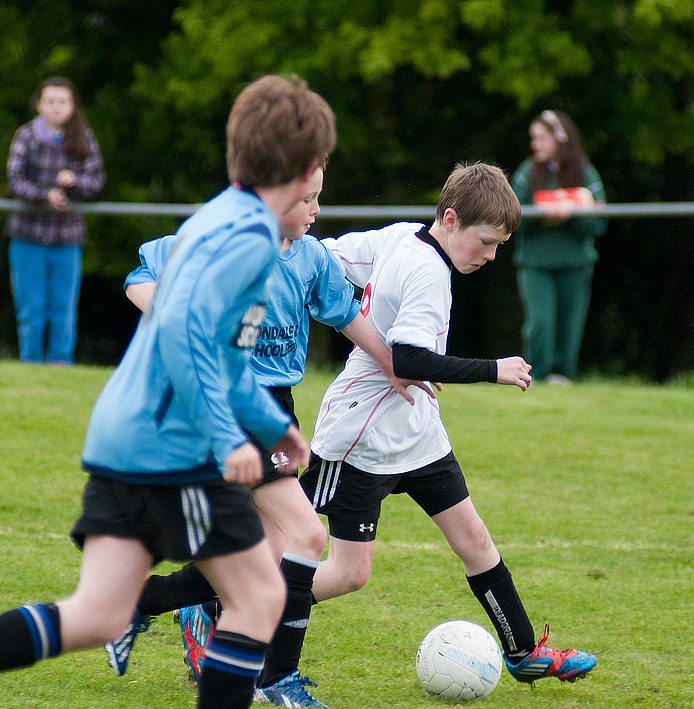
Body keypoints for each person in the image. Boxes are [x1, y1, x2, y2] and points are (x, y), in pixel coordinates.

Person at [0, 74, 336, 709]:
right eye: (315, 187)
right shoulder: (251, 240)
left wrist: (271, 428)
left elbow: (226, 353)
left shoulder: (218, 218)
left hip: (121, 434)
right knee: (260, 596)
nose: (318, 200)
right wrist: (223, 438)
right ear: (297, 171)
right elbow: (185, 337)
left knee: (99, 614)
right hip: (171, 446)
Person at [106, 163, 430, 708]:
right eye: (309, 201)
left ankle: (141, 603)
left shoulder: (309, 258)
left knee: (266, 559)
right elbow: (142, 274)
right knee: (307, 537)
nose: (317, 211)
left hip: (277, 411)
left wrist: (394, 365)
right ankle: (277, 678)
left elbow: (348, 314)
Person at [299, 162, 597, 686]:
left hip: (418, 434)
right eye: (485, 242)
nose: (490, 255)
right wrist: (493, 370)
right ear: (452, 219)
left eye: (499, 246)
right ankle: (225, 610)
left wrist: (366, 321)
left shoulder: (401, 238)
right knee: (342, 571)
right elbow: (410, 360)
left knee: (474, 540)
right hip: (359, 439)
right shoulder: (429, 271)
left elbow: (324, 256)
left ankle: (523, 652)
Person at [5, 76, 106, 366]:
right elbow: (14, 181)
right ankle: (31, 366)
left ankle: (62, 366)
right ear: (39, 105)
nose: (56, 107)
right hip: (27, 236)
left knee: (63, 308)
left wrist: (76, 181)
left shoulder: (84, 137)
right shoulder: (26, 136)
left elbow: (97, 180)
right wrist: (44, 194)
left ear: (72, 106)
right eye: (50, 101)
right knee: (31, 309)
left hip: (68, 237)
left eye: (62, 101)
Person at [510, 109, 607, 386]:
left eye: (541, 138)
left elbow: (598, 224)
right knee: (540, 322)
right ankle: (536, 377)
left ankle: (563, 377)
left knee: (570, 326)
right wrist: (542, 214)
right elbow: (511, 217)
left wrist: (572, 215)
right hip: (535, 264)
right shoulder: (527, 172)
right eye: (534, 138)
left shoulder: (585, 172)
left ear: (560, 139)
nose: (535, 144)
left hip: (575, 263)